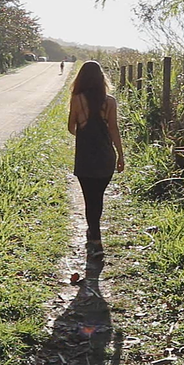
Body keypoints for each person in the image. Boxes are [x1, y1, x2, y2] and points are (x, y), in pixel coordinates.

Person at [67, 60, 125, 260]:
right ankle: (94, 236)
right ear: (101, 79)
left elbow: (71, 127)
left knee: (89, 199)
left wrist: (84, 133)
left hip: (85, 157)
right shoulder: (110, 101)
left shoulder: (77, 99)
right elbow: (114, 129)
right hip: (105, 156)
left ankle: (95, 239)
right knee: (97, 199)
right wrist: (120, 154)